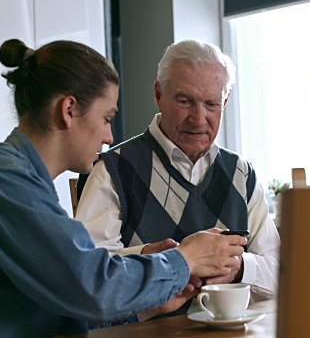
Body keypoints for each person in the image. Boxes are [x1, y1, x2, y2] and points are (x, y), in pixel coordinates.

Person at [0, 39, 246, 338]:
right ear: (68, 111)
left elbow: (68, 297)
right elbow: (89, 286)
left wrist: (150, 302)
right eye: (107, 117)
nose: (110, 136)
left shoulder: (23, 182)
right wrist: (184, 260)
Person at [75, 39, 280, 304]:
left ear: (225, 102)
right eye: (185, 101)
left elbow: (280, 275)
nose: (198, 118)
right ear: (158, 95)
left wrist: (238, 267)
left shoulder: (243, 175)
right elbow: (86, 270)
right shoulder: (113, 169)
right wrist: (169, 259)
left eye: (211, 104)